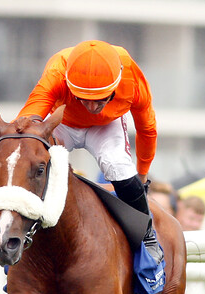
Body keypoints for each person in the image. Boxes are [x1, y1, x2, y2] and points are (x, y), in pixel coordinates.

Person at [16, 39, 162, 264]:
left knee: (118, 165)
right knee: (32, 156)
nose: (92, 108)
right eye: (84, 98)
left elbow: (147, 128)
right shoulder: (57, 70)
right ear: (68, 81)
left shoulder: (131, 75)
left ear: (117, 80)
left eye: (100, 99)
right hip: (62, 120)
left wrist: (142, 176)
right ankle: (20, 229)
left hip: (106, 125)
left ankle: (147, 235)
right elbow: (27, 121)